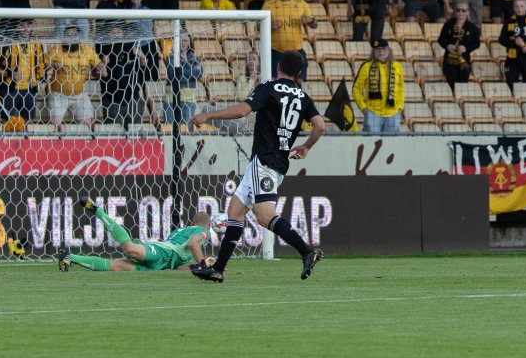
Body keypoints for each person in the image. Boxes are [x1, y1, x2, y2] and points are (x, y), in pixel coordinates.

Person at [190, 50, 326, 283]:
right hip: (278, 162)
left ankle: (307, 251)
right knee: (235, 211)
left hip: (264, 160)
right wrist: (306, 147)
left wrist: (209, 116)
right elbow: (320, 126)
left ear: (279, 66)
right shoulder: (303, 97)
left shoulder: (268, 87)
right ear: (298, 72)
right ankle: (218, 269)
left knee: (264, 216)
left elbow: (243, 110)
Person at [58, 203, 211, 272]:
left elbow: (177, 266)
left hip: (163, 265)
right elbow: (193, 244)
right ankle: (98, 211)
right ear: (208, 226)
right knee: (129, 249)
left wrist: (199, 266)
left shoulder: (183, 230)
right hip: (163, 253)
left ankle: (70, 257)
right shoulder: (203, 231)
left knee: (117, 266)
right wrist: (204, 266)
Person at [46, 25, 106, 131]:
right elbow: (44, 65)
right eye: (68, 35)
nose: (72, 37)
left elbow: (99, 65)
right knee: (55, 127)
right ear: (63, 38)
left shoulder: (87, 50)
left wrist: (101, 68)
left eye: (74, 35)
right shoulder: (55, 50)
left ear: (79, 37)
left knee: (87, 127)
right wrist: (53, 66)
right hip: (58, 95)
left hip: (79, 95)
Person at [263, 0, 314, 79]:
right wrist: (268, 25)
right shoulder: (268, 4)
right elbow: (258, 27)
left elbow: (315, 25)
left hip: (297, 51)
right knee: (275, 82)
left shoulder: (301, 3)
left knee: (298, 82)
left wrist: (311, 20)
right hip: (276, 52)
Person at [351, 39, 404, 134]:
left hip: (393, 114)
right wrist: (364, 108)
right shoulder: (366, 67)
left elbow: (401, 89)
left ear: (388, 51)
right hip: (373, 114)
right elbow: (356, 89)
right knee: (372, 142)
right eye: (377, 49)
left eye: (383, 49)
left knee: (391, 143)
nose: (380, 52)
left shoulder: (397, 66)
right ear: (373, 52)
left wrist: (400, 107)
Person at [438, 4, 481, 87]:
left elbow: (477, 43)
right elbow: (441, 39)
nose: (460, 12)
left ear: (467, 12)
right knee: (452, 85)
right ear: (455, 11)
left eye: (463, 10)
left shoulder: (472, 27)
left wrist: (466, 48)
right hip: (449, 62)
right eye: (458, 10)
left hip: (464, 62)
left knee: (462, 87)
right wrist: (447, 46)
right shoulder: (448, 24)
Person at [164, 32, 202, 125]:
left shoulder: (194, 58)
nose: (182, 43)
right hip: (171, 99)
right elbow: (172, 76)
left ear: (189, 42)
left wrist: (180, 71)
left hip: (189, 99)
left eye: (185, 40)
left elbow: (198, 74)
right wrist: (191, 72)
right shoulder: (171, 57)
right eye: (180, 40)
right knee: (170, 129)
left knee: (186, 129)